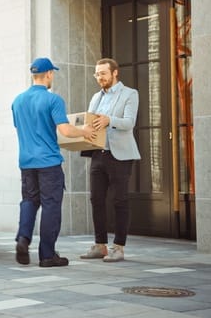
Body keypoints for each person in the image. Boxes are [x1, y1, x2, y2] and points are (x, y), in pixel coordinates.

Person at [12, 57, 95, 267]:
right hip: (48, 162)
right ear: (49, 74)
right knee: (51, 206)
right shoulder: (53, 100)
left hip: (27, 162)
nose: (53, 77)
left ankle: (23, 239)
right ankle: (47, 255)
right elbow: (66, 130)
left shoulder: (18, 101)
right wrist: (84, 131)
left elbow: (23, 129)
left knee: (29, 201)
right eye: (53, 73)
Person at [79, 58, 141, 262]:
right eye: (97, 74)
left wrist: (109, 120)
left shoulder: (130, 94)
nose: (99, 77)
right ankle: (100, 245)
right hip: (98, 153)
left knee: (119, 200)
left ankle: (119, 247)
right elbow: (91, 122)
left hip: (120, 155)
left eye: (103, 73)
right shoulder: (96, 97)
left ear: (115, 73)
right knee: (96, 199)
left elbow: (129, 123)